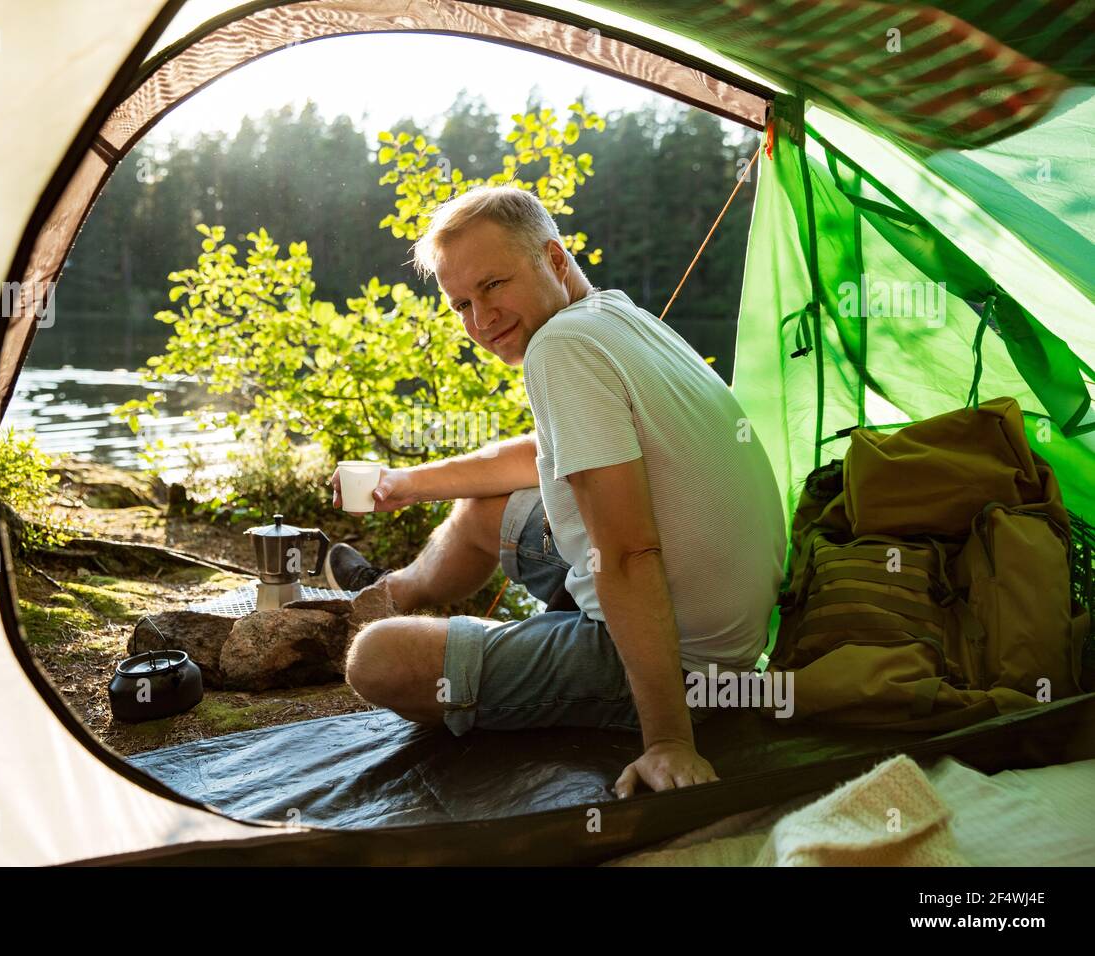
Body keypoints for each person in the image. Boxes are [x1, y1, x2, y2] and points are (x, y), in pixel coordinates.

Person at [325, 185, 785, 795]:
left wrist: (669, 741)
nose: (480, 320)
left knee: (378, 660)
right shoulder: (613, 314)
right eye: (460, 303)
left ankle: (477, 641)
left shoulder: (558, 348)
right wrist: (406, 483)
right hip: (719, 612)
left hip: (682, 659)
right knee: (484, 511)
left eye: (493, 285)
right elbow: (545, 454)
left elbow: (629, 553)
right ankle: (385, 593)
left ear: (555, 260)